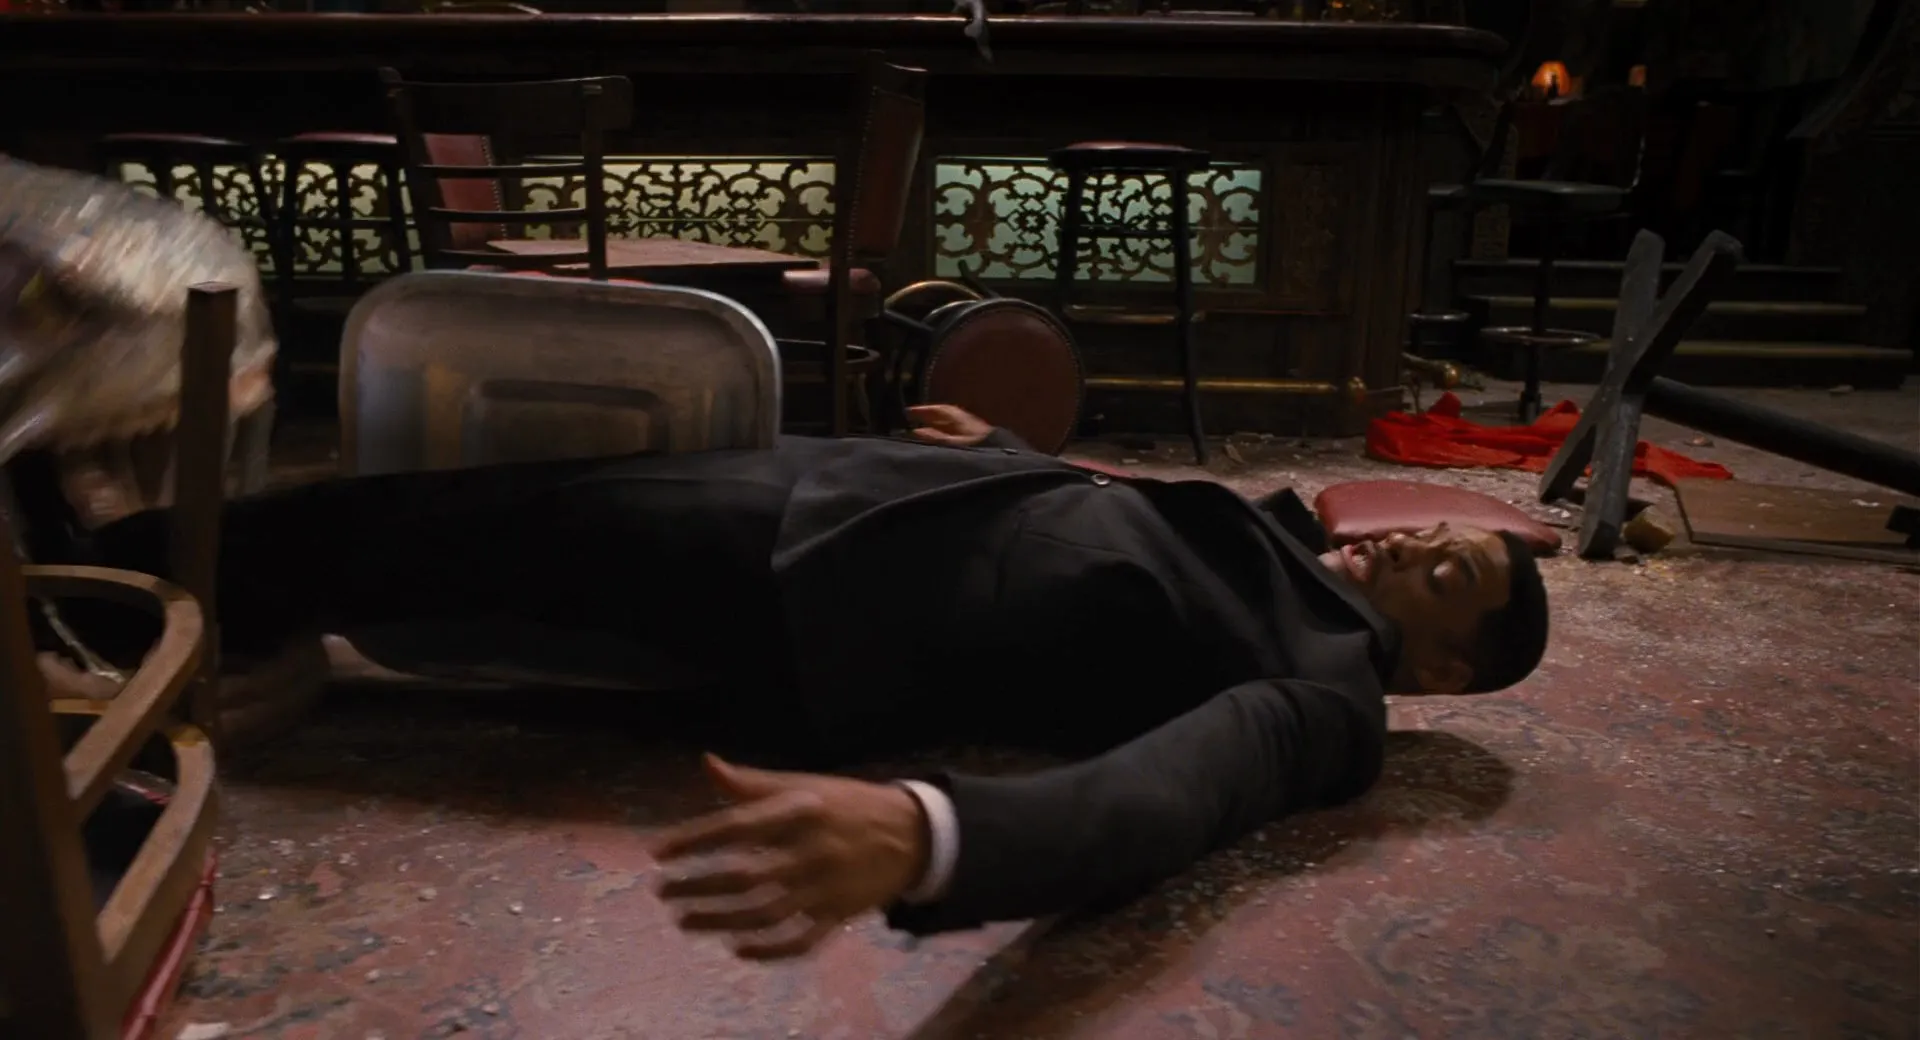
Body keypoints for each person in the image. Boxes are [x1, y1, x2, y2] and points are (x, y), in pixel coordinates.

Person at [48, 403, 1548, 960]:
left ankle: (95, 581)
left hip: (828, 596)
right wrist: (1016, 459)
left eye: (1447, 577)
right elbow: (1137, 529)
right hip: (858, 494)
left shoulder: (1328, 699)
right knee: (476, 520)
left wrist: (934, 833)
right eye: (1439, 535)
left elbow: (1178, 794)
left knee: (475, 546)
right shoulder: (1286, 546)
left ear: (1438, 669)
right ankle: (136, 573)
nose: (1419, 541)